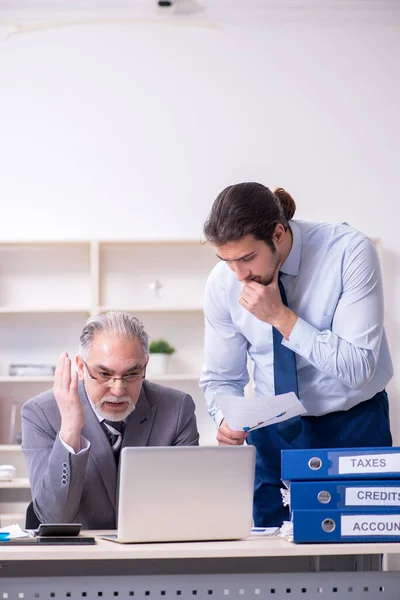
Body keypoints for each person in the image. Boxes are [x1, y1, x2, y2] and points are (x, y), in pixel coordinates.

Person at [200, 182, 393, 527]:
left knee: (360, 550)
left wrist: (280, 317)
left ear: (278, 233)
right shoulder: (222, 282)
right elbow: (222, 378)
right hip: (271, 432)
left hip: (353, 425)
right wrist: (225, 416)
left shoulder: (349, 252)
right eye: (227, 261)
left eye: (246, 259)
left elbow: (360, 366)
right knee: (267, 553)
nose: (239, 276)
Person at [22, 311, 199, 529]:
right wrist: (69, 431)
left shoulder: (177, 409)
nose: (118, 390)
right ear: (80, 366)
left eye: (132, 374)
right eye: (104, 374)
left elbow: (188, 507)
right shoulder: (41, 413)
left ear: (145, 365)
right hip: (77, 558)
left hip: (152, 551)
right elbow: (54, 518)